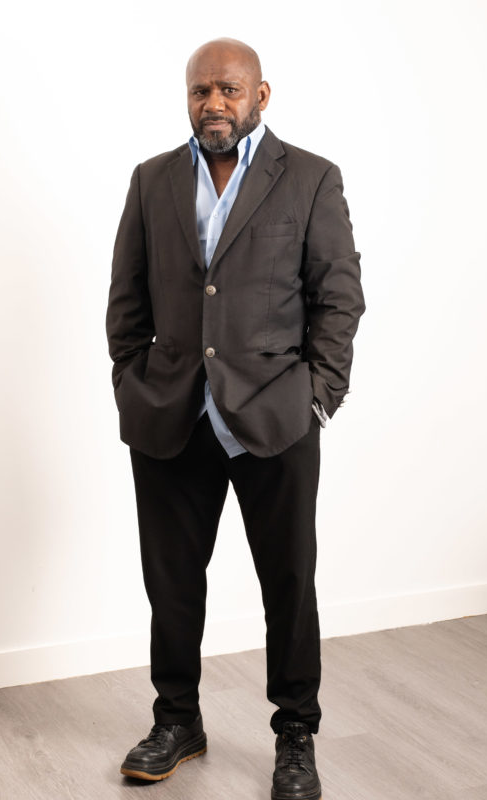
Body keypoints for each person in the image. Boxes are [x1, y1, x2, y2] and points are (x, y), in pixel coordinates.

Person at [105, 36, 366, 800]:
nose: (213, 103)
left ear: (261, 95)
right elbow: (126, 299)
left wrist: (317, 395)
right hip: (171, 415)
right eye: (200, 91)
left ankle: (295, 735)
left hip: (275, 417)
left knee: (288, 583)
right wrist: (132, 383)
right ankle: (176, 721)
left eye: (228, 89)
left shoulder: (310, 178)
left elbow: (339, 297)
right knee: (171, 584)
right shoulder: (151, 179)